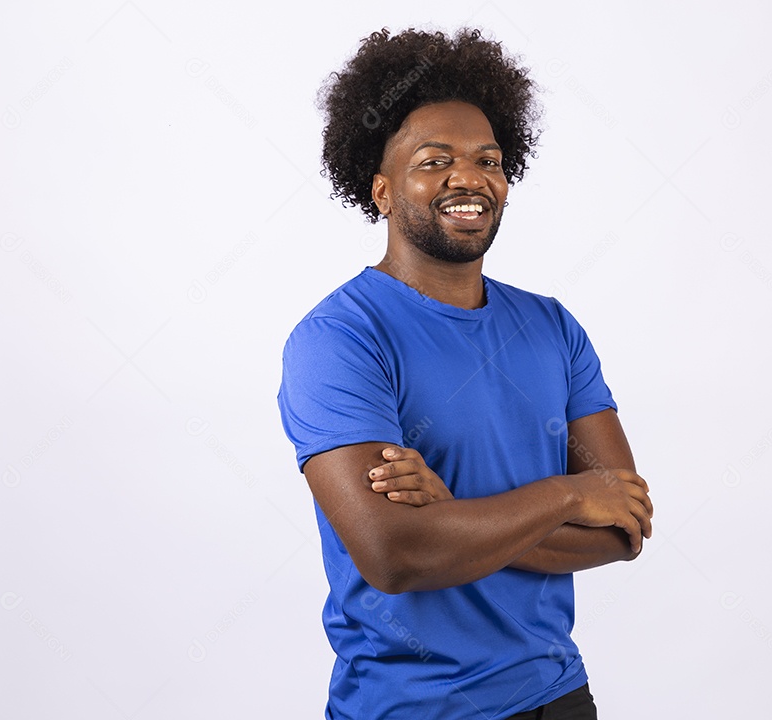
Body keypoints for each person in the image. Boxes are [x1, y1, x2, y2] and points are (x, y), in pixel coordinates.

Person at [277, 26, 653, 719]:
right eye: (434, 160)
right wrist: (568, 497)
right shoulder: (339, 339)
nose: (469, 177)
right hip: (409, 706)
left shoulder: (552, 327)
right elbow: (395, 554)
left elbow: (624, 526)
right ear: (382, 191)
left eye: (489, 158)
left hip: (558, 697)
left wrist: (449, 515)